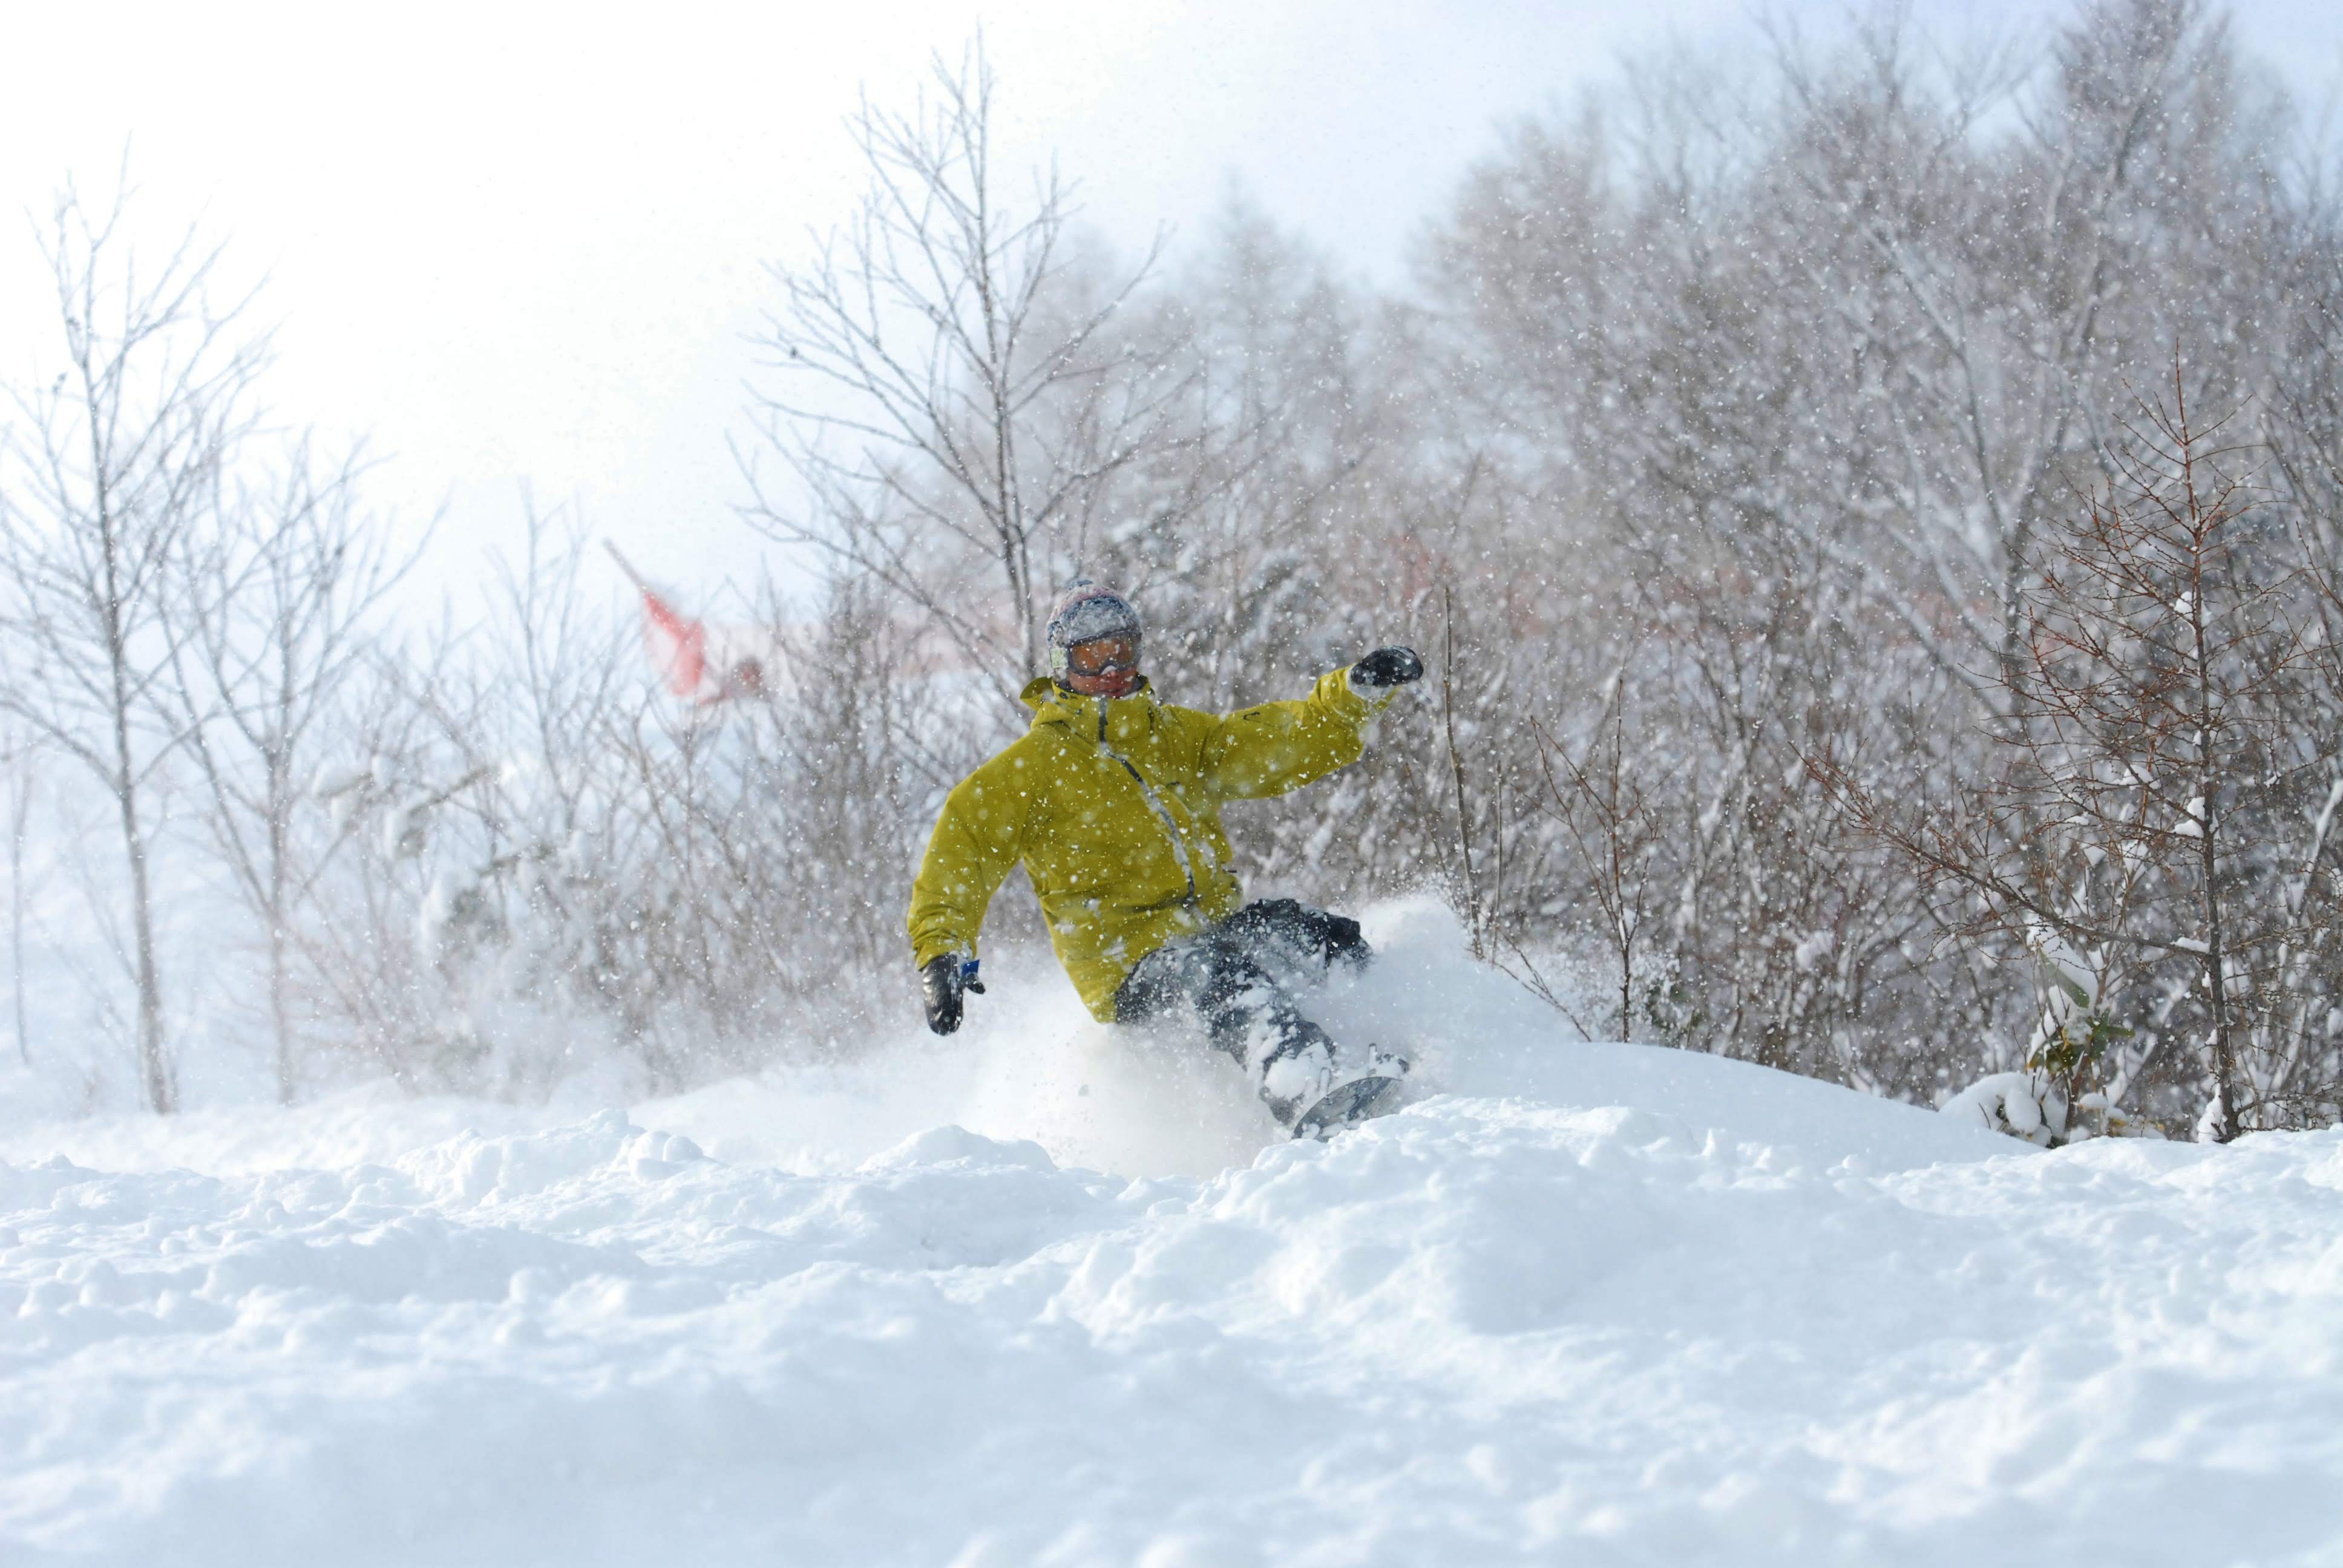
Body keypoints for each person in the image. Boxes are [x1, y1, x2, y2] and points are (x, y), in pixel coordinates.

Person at [906, 581, 1426, 1137]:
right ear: (1063, 666)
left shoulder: (1176, 737)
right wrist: (943, 953)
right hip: (1129, 967)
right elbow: (962, 855)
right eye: (1091, 657)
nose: (1110, 670)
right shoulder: (1032, 771)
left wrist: (1352, 695)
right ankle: (1305, 1087)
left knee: (1313, 933)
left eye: (1121, 652)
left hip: (1212, 928)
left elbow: (1279, 745)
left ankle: (1406, 1043)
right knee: (1218, 974)